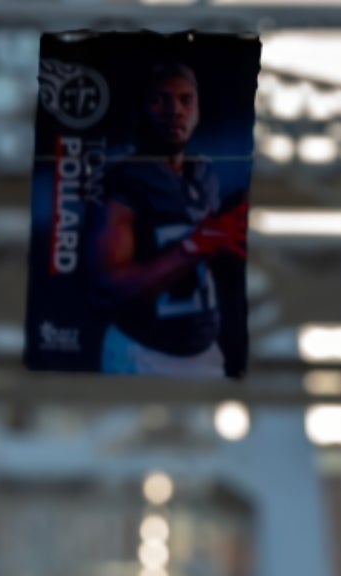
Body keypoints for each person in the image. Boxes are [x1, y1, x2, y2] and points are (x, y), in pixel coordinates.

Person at [91, 59, 247, 377]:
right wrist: (192, 247)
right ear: (140, 111)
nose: (174, 110)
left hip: (205, 350)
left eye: (185, 99)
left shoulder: (204, 172)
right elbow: (112, 285)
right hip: (144, 353)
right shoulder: (125, 179)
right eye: (159, 99)